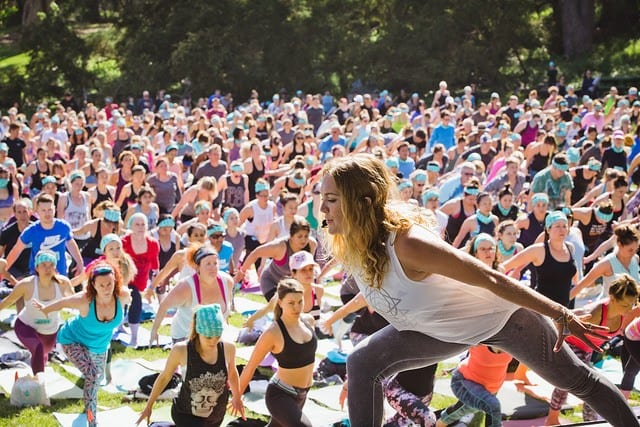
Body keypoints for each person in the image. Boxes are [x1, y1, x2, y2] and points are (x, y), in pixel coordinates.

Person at [320, 154, 637, 426]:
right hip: (436, 331)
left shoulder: (409, 244)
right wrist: (362, 386)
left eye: (331, 200)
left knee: (578, 380)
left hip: (502, 320)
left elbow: (492, 279)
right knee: (361, 363)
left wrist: (561, 313)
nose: (322, 209)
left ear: (365, 201)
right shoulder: (356, 244)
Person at [34, 262, 131, 427]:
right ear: (93, 284)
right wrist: (45, 309)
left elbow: (129, 298)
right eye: (102, 285)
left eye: (110, 283)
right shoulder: (85, 300)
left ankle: (89, 405)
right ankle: (92, 419)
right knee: (93, 375)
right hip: (72, 340)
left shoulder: (122, 295)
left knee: (96, 378)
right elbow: (63, 302)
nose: (107, 288)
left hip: (99, 345)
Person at [545, 275, 639, 425]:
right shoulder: (595, 312)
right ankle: (552, 419)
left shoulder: (624, 314)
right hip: (570, 346)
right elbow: (564, 319)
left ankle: (589, 422)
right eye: (625, 305)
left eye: (632, 305)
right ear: (612, 298)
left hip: (587, 351)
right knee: (584, 385)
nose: (629, 309)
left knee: (584, 387)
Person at [136, 304, 244, 427]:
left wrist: (237, 397)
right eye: (208, 337)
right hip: (186, 414)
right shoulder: (181, 350)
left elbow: (232, 372)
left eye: (217, 336)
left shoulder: (228, 348)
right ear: (198, 331)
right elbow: (165, 377)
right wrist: (149, 406)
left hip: (215, 415)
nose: (213, 341)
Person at [238, 279, 317, 427]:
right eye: (291, 303)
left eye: (300, 302)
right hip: (280, 394)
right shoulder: (273, 332)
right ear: (280, 302)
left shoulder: (308, 321)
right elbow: (250, 366)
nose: (297, 307)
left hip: (302, 393)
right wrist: (237, 397)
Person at [0, 250, 73, 374]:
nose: (47, 268)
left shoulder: (63, 283)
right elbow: (7, 302)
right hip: (25, 326)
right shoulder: (26, 285)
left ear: (55, 267)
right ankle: (39, 383)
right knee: (38, 349)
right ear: (37, 267)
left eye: (51, 265)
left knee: (41, 354)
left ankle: (37, 376)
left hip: (49, 331)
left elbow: (76, 301)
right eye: (44, 265)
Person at [150, 245, 233, 344]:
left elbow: (227, 311)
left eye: (215, 263)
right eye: (208, 264)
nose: (213, 267)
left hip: (214, 337)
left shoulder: (227, 282)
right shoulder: (186, 287)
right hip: (186, 338)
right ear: (197, 267)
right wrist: (154, 331)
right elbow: (164, 306)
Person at [236, 217, 317, 301]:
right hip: (271, 282)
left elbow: (310, 268)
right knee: (282, 309)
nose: (303, 240)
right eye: (299, 236)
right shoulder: (279, 246)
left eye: (306, 236)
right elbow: (255, 253)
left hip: (291, 284)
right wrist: (242, 272)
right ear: (291, 236)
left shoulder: (311, 244)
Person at [4, 193, 84, 277]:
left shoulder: (63, 226)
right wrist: (3, 271)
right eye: (43, 210)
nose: (47, 213)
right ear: (37, 211)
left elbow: (70, 243)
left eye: (50, 210)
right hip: (38, 275)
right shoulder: (31, 230)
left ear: (55, 209)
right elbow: (16, 250)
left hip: (59, 274)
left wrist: (80, 263)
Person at [122, 212, 160, 347]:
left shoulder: (153, 244)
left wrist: (153, 286)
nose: (140, 227)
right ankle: (134, 338)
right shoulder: (124, 242)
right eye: (137, 224)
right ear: (131, 226)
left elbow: (155, 267)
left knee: (129, 302)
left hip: (142, 280)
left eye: (143, 224)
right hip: (126, 278)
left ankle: (122, 325)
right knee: (133, 302)